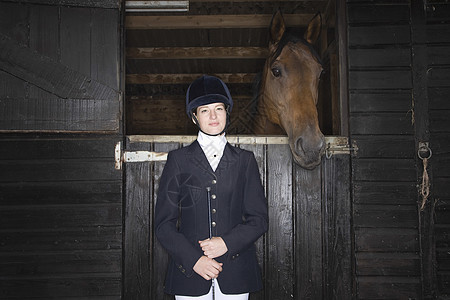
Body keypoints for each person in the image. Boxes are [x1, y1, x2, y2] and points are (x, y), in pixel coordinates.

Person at [155, 75, 268, 300]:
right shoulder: (178, 160)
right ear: (195, 117)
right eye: (205, 110)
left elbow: (259, 220)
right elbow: (163, 225)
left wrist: (226, 243)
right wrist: (194, 260)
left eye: (218, 108)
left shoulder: (245, 160)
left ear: (227, 112)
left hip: (236, 274)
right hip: (190, 276)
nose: (214, 116)